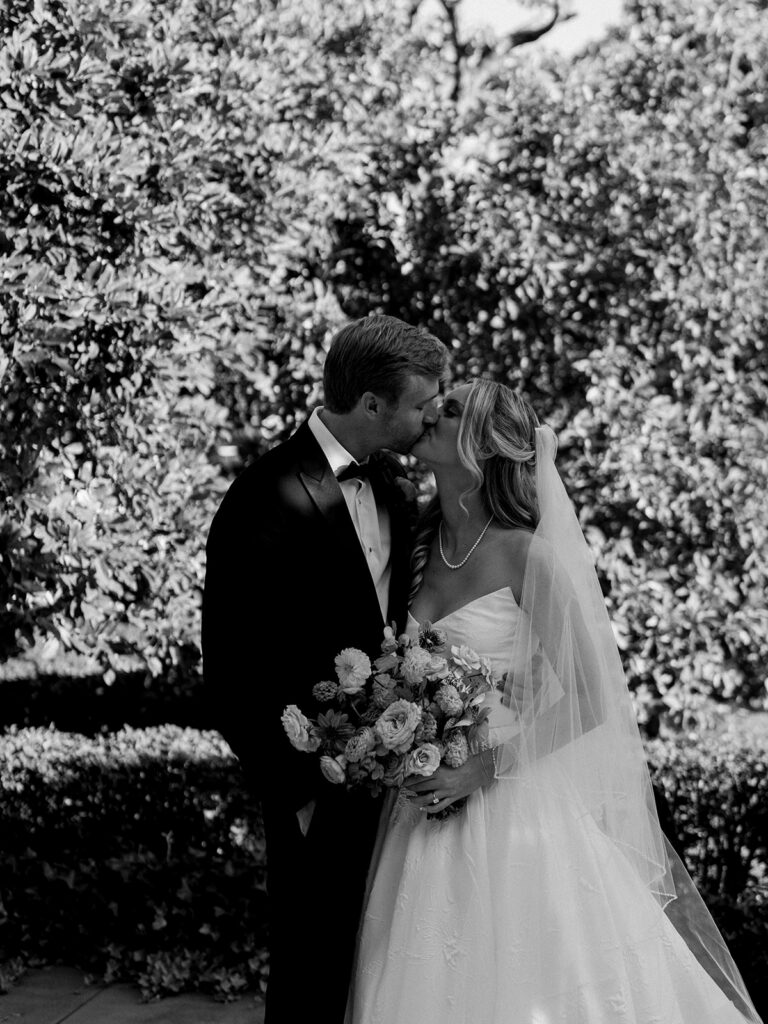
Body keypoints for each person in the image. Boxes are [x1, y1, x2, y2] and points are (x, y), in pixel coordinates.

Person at [346, 378, 762, 1024]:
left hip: (510, 810)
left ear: (482, 450)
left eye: (449, 409)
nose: (431, 412)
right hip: (418, 818)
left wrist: (477, 769)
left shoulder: (525, 556)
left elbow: (593, 699)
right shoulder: (419, 543)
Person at [201, 314, 447, 1023]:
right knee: (311, 976)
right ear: (372, 405)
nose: (430, 414)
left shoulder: (397, 490)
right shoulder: (263, 496)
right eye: (421, 402)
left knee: (383, 976)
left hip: (397, 786)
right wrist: (301, 793)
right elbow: (232, 668)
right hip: (315, 789)